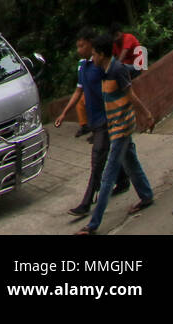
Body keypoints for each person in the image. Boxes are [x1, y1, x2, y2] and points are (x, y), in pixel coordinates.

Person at [77, 32, 155, 235]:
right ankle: (146, 196)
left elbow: (131, 96)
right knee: (131, 162)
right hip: (115, 126)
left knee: (108, 177)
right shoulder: (103, 70)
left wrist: (146, 115)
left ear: (102, 54)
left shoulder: (117, 70)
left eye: (94, 53)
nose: (91, 57)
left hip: (121, 128)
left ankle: (93, 226)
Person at [54, 28, 127, 217]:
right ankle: (124, 179)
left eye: (82, 45)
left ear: (91, 44)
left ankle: (86, 203)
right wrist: (64, 113)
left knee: (97, 161)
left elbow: (119, 84)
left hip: (107, 118)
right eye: (77, 46)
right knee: (122, 153)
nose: (79, 50)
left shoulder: (102, 64)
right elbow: (79, 91)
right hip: (95, 121)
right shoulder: (82, 66)